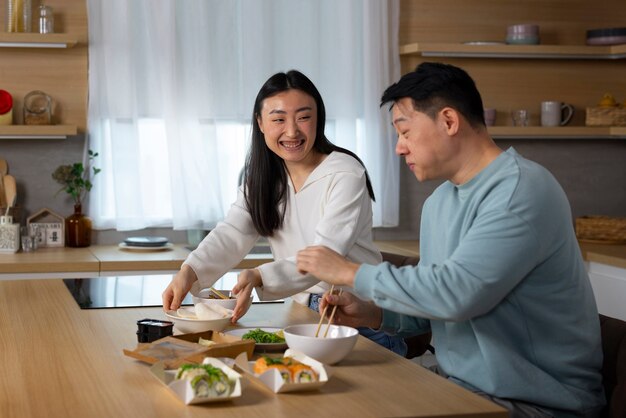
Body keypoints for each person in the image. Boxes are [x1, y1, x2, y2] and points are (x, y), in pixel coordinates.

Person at [296, 62, 605, 417]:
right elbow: (436, 310)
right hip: (457, 388)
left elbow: (456, 295)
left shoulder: (521, 191)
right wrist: (372, 313)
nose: (399, 148)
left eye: (405, 131)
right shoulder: (439, 203)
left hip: (535, 404)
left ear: (448, 121)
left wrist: (350, 271)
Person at [162, 70, 407, 356]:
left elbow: (324, 254)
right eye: (278, 119)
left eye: (303, 117)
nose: (292, 131)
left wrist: (258, 275)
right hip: (300, 315)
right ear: (260, 123)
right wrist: (188, 272)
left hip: (353, 316)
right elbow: (232, 232)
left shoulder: (345, 173)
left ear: (319, 119)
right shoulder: (263, 178)